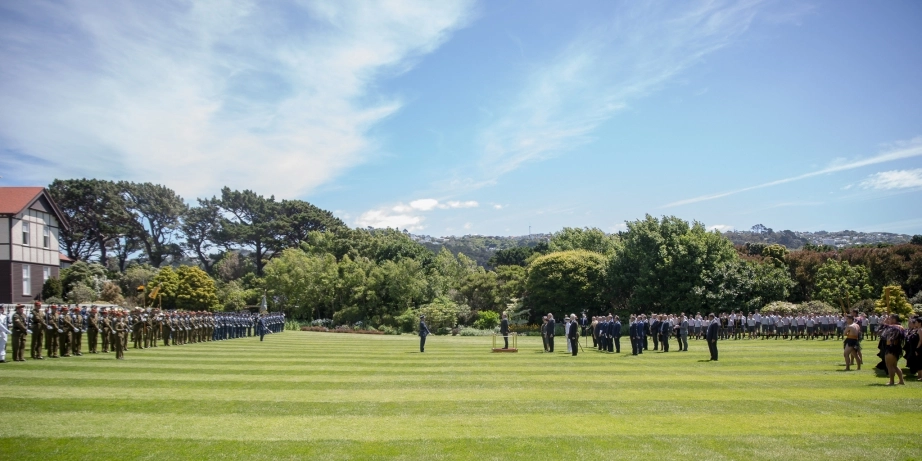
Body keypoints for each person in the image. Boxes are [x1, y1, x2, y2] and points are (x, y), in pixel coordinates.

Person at [879, 314, 905, 385]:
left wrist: (885, 322)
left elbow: (883, 328)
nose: (888, 320)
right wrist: (886, 322)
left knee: (889, 365)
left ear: (894, 320)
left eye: (890, 319)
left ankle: (891, 381)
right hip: (895, 348)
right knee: (894, 365)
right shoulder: (899, 327)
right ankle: (901, 381)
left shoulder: (894, 327)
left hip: (891, 347)